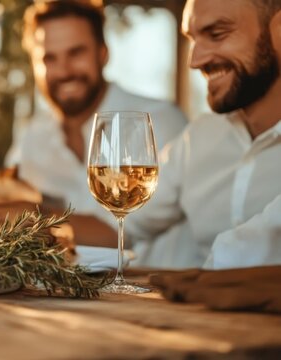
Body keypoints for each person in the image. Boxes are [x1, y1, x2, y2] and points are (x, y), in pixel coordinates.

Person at [116, 0, 281, 269]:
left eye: (216, 34)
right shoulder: (197, 139)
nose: (195, 60)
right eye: (193, 39)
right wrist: (38, 218)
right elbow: (126, 222)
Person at [6, 1, 188, 223]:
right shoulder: (32, 138)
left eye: (76, 53)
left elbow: (122, 230)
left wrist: (30, 215)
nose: (64, 71)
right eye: (49, 58)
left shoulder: (159, 121)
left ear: (103, 54)